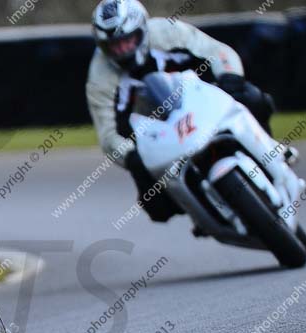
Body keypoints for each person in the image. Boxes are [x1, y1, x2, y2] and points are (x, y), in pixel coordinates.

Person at [86, 0, 292, 222]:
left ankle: (270, 150)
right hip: (155, 133)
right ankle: (202, 213)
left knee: (251, 97)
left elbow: (218, 51)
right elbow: (108, 136)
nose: (122, 50)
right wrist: (132, 156)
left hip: (202, 101)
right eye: (114, 46)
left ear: (142, 29)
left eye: (127, 40)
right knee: (157, 207)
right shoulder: (99, 78)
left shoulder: (168, 32)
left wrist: (229, 78)